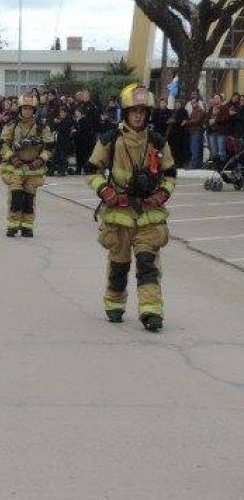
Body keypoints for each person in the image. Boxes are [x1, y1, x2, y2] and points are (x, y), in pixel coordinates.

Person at [88, 83, 176, 332]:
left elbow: (170, 175)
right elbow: (92, 170)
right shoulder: (110, 139)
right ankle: (114, 304)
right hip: (119, 215)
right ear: (126, 112)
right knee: (119, 265)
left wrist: (161, 195)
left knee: (148, 265)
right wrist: (104, 190)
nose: (138, 115)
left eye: (142, 111)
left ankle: (151, 311)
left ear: (147, 113)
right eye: (134, 110)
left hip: (148, 214)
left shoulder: (158, 141)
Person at [0, 94, 54, 237]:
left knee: (29, 199)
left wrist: (41, 160)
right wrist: (12, 158)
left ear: (34, 110)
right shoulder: (12, 125)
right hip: (16, 167)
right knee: (16, 197)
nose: (27, 111)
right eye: (24, 109)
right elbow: (3, 145)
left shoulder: (41, 127)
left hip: (33, 169)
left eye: (30, 109)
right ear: (20, 109)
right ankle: (12, 225)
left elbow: (49, 147)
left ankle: (27, 226)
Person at [206, 92, 230, 168]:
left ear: (220, 99)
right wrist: (208, 121)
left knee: (221, 151)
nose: (215, 100)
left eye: (217, 98)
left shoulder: (224, 108)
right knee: (214, 151)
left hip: (221, 132)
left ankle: (223, 167)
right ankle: (216, 166)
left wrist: (215, 120)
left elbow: (226, 118)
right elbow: (206, 118)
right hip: (212, 132)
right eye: (214, 98)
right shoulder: (211, 108)